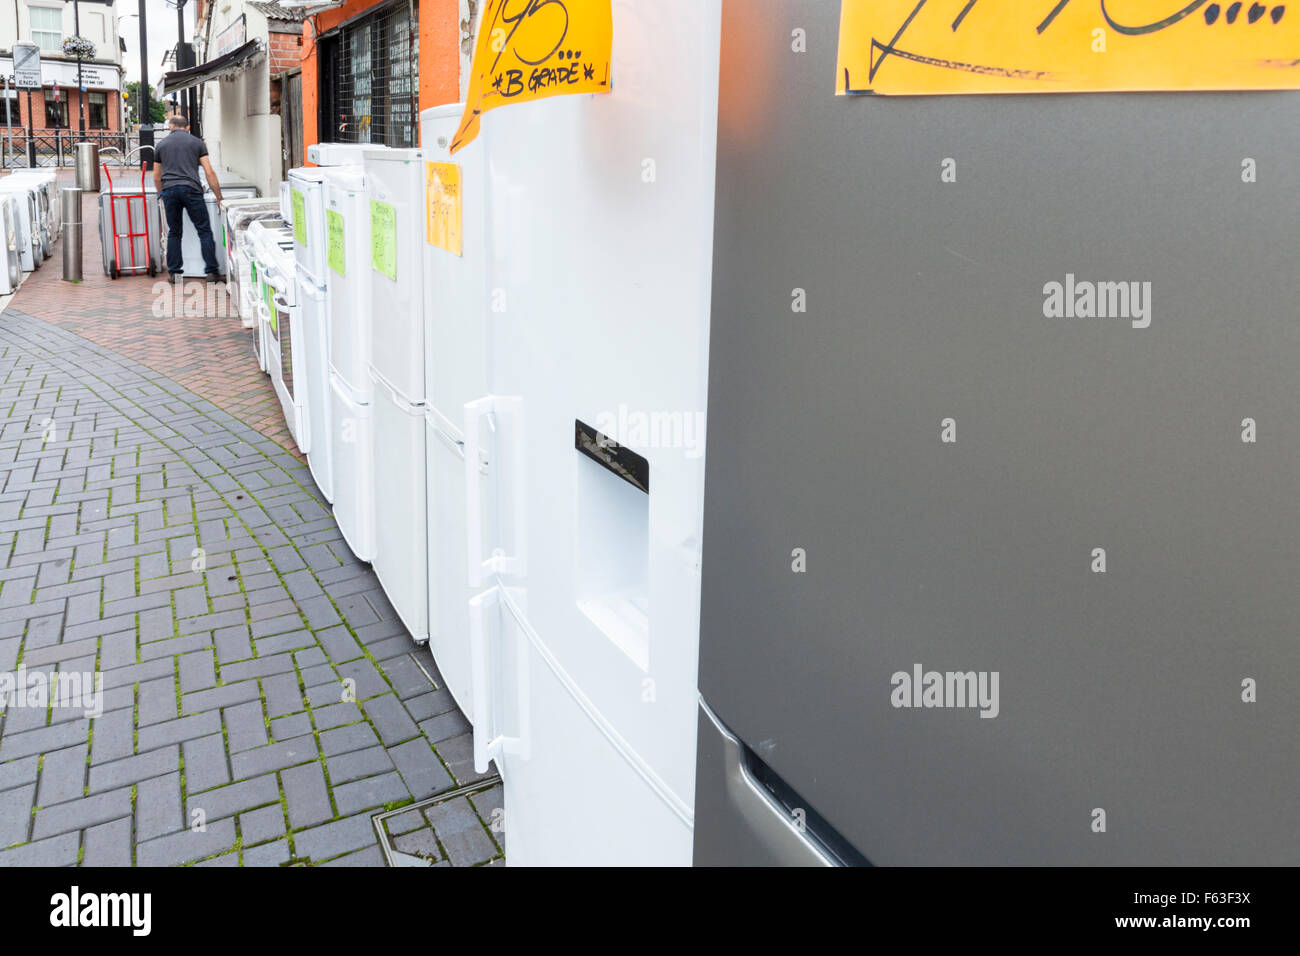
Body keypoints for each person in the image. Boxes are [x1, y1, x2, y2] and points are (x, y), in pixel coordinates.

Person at [152, 114, 224, 282]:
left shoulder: (161, 145)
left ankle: (175, 274)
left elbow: (156, 176)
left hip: (169, 190)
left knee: (174, 232)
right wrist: (218, 196)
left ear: (170, 126)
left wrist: (161, 193)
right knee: (204, 230)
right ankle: (212, 272)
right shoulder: (197, 143)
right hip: (192, 189)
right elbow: (209, 171)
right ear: (188, 127)